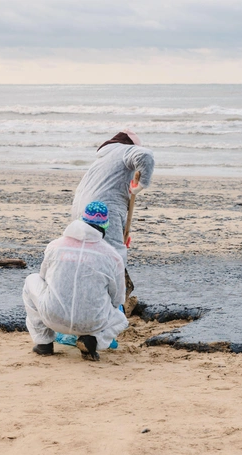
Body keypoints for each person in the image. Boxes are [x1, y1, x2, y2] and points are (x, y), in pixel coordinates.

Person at [22, 201, 127, 361]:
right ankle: (93, 341)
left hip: (53, 317)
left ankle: (44, 342)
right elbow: (118, 299)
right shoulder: (112, 256)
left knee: (32, 280)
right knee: (121, 319)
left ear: (82, 221)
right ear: (105, 227)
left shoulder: (55, 246)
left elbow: (43, 279)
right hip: (92, 324)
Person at [71, 130, 155, 265]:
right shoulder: (125, 150)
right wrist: (141, 185)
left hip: (81, 207)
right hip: (104, 207)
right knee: (114, 253)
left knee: (88, 250)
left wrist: (123, 231)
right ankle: (116, 283)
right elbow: (145, 155)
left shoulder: (104, 158)